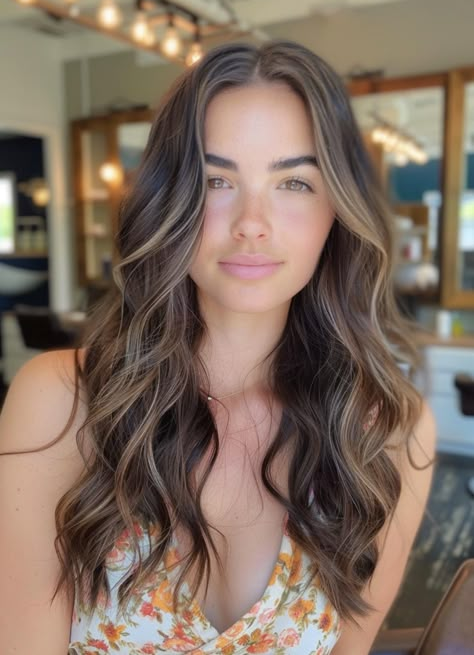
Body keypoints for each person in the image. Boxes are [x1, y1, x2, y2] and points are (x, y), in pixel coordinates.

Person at [0, 40, 436, 655]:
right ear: (170, 202)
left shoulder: (389, 429)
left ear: (337, 209)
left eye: (294, 181)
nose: (252, 222)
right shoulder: (60, 404)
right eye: (216, 179)